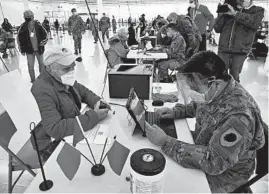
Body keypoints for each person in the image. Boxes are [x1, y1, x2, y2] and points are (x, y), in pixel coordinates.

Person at [145, 51, 267, 193]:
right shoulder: (217, 91)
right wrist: (176, 112)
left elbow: (214, 162)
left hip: (226, 174)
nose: (192, 92)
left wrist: (165, 142)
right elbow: (200, 105)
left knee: (170, 183)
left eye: (195, 88)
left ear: (215, 83)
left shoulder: (240, 116)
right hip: (206, 148)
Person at [31, 47, 110, 161]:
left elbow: (84, 92)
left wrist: (97, 101)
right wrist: (94, 116)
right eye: (66, 68)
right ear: (50, 69)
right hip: (50, 142)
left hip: (70, 132)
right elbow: (55, 128)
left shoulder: (62, 78)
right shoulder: (42, 89)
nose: (72, 70)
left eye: (73, 65)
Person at [214, 0, 264, 83]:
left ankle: (234, 95)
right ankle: (222, 95)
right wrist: (221, 14)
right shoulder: (232, 8)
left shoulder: (258, 10)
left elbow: (254, 23)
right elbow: (217, 29)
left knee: (234, 78)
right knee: (220, 77)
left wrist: (235, 14)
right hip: (223, 50)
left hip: (240, 51)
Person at [17, 10, 48, 83]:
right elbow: (19, 39)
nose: (28, 18)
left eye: (29, 17)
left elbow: (45, 35)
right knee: (31, 66)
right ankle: (33, 80)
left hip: (39, 49)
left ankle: (42, 78)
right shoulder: (23, 27)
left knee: (41, 64)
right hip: (29, 51)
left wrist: (43, 42)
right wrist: (22, 49)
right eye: (26, 17)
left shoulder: (38, 26)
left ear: (32, 16)